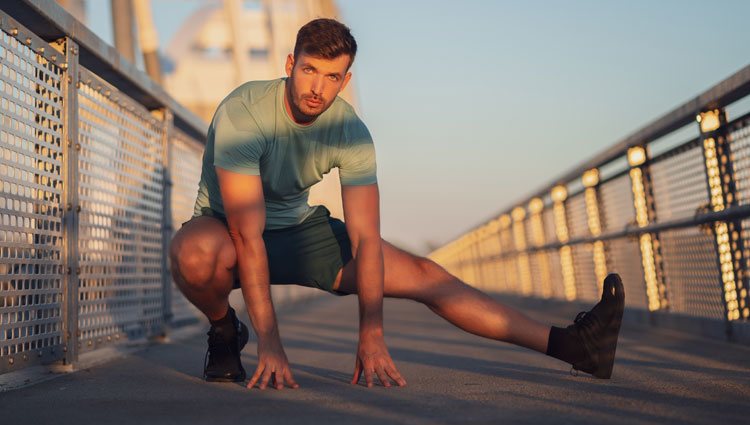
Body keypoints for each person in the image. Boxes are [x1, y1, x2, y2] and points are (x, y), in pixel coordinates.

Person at [169, 18, 625, 390]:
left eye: (332, 78)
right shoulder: (244, 113)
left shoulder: (350, 132)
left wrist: (372, 332)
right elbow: (249, 235)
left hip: (299, 232)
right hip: (229, 229)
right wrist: (270, 341)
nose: (317, 88)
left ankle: (575, 347)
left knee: (427, 276)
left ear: (345, 81)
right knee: (194, 254)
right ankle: (225, 330)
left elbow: (366, 239)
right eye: (309, 70)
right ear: (291, 63)